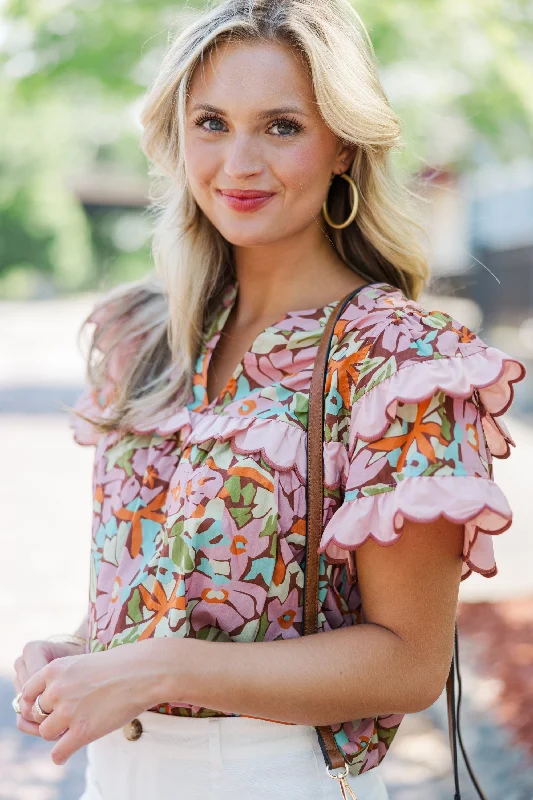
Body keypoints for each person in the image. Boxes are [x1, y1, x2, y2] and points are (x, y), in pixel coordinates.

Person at [12, 1, 526, 798]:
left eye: (281, 126)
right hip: (115, 777)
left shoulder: (399, 361)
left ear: (344, 148)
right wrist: (80, 649)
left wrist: (160, 668)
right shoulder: (142, 336)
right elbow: (167, 593)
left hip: (276, 777)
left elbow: (408, 663)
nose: (237, 164)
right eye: (211, 122)